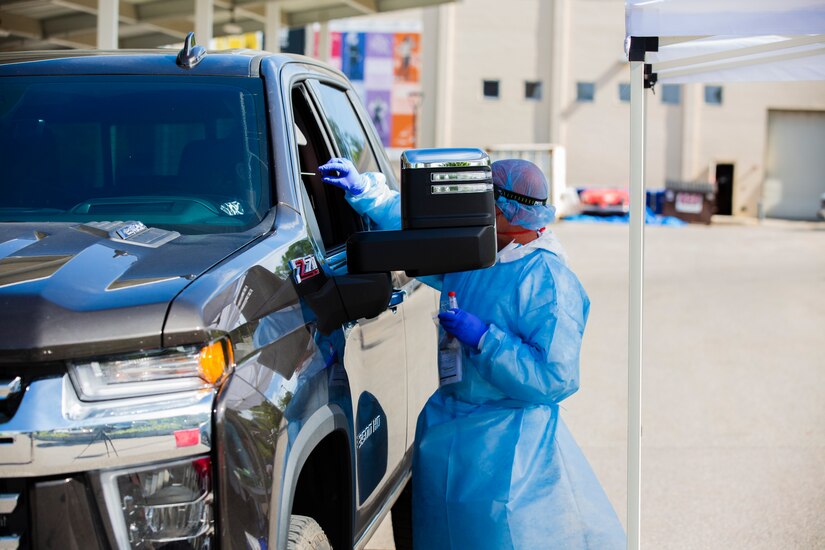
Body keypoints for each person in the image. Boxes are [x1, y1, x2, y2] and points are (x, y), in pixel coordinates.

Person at [318, 157, 625, 549]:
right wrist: (366, 193)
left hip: (508, 447)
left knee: (498, 536)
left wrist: (485, 339)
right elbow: (421, 232)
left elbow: (554, 377)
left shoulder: (546, 278)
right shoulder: (480, 252)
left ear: (505, 209)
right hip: (450, 429)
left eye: (483, 201)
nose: (471, 212)